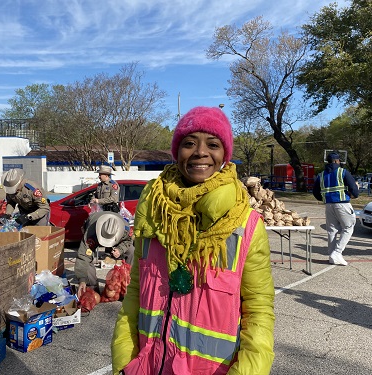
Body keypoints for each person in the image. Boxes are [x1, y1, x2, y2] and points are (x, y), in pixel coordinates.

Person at [111, 106, 275, 375]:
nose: (200, 152)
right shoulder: (153, 211)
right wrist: (123, 364)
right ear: (177, 153)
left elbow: (258, 313)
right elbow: (134, 296)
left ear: (224, 155)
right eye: (189, 143)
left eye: (213, 144)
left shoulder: (245, 224)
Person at [313, 152, 360, 266]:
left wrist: (325, 197)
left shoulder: (321, 175)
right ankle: (337, 253)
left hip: (329, 205)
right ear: (337, 161)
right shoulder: (342, 172)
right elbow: (354, 189)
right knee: (348, 227)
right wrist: (355, 193)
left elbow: (315, 192)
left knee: (332, 230)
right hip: (342, 204)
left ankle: (331, 256)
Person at [75, 211, 133, 297]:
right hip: (94, 229)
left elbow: (128, 241)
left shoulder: (125, 230)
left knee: (131, 251)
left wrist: (120, 249)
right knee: (88, 258)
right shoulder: (91, 232)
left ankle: (127, 283)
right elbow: (83, 256)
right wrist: (82, 279)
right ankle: (92, 286)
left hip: (117, 238)